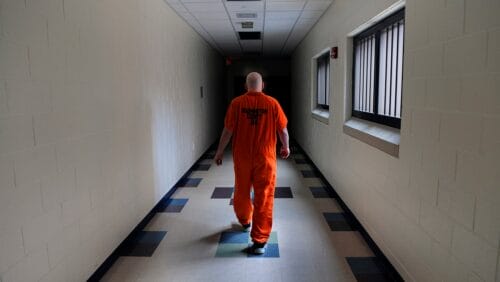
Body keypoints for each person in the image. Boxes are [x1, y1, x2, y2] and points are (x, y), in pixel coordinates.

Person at [214, 72, 290, 255]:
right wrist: (286, 147)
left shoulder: (237, 104)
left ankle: (245, 221)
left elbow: (227, 131)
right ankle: (260, 242)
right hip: (266, 158)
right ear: (263, 85)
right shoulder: (272, 104)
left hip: (243, 157)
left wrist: (219, 151)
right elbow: (283, 130)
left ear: (246, 86)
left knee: (241, 189)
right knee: (264, 197)